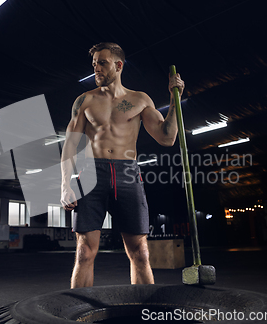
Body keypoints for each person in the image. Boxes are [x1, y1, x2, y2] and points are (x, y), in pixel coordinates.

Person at [60, 42, 184, 288]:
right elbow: (70, 146)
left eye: (102, 63)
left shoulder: (138, 100)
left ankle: (146, 313)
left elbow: (167, 137)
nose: (96, 68)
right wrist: (65, 184)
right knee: (85, 252)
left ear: (118, 65)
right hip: (91, 173)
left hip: (127, 174)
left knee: (140, 252)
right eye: (94, 63)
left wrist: (174, 99)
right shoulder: (84, 101)